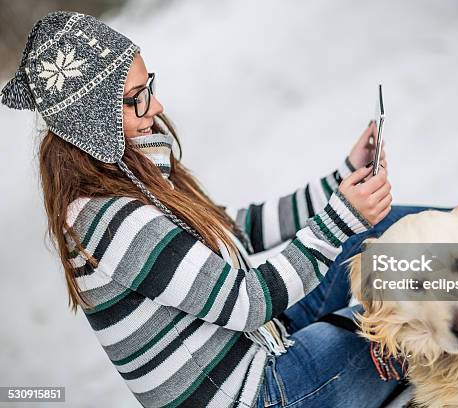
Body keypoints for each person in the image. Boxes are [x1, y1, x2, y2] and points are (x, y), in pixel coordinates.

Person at [1, 11, 428, 407]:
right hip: (259, 393)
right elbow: (246, 302)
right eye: (136, 98)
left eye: (149, 86)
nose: (156, 106)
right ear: (92, 121)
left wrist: (343, 180)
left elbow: (234, 229)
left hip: (263, 342)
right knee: (420, 316)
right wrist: (339, 219)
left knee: (383, 234)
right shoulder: (110, 220)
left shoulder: (134, 180)